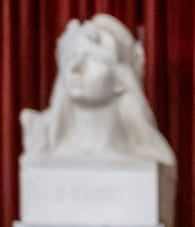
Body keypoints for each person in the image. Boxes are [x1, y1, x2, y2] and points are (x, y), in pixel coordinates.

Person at [20, 13, 175, 168]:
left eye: (93, 58)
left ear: (121, 80)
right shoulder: (40, 143)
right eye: (71, 58)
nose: (75, 68)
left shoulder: (149, 159)